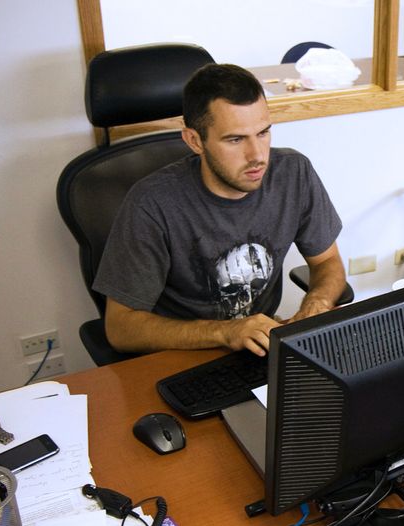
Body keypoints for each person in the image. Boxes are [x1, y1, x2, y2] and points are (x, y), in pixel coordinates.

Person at [92, 64, 346, 357]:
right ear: (195, 141)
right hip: (181, 354)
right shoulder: (151, 203)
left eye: (263, 133)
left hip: (259, 349)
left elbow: (328, 262)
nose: (257, 156)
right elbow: (120, 328)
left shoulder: (293, 173)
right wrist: (225, 332)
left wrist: (318, 303)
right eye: (235, 140)